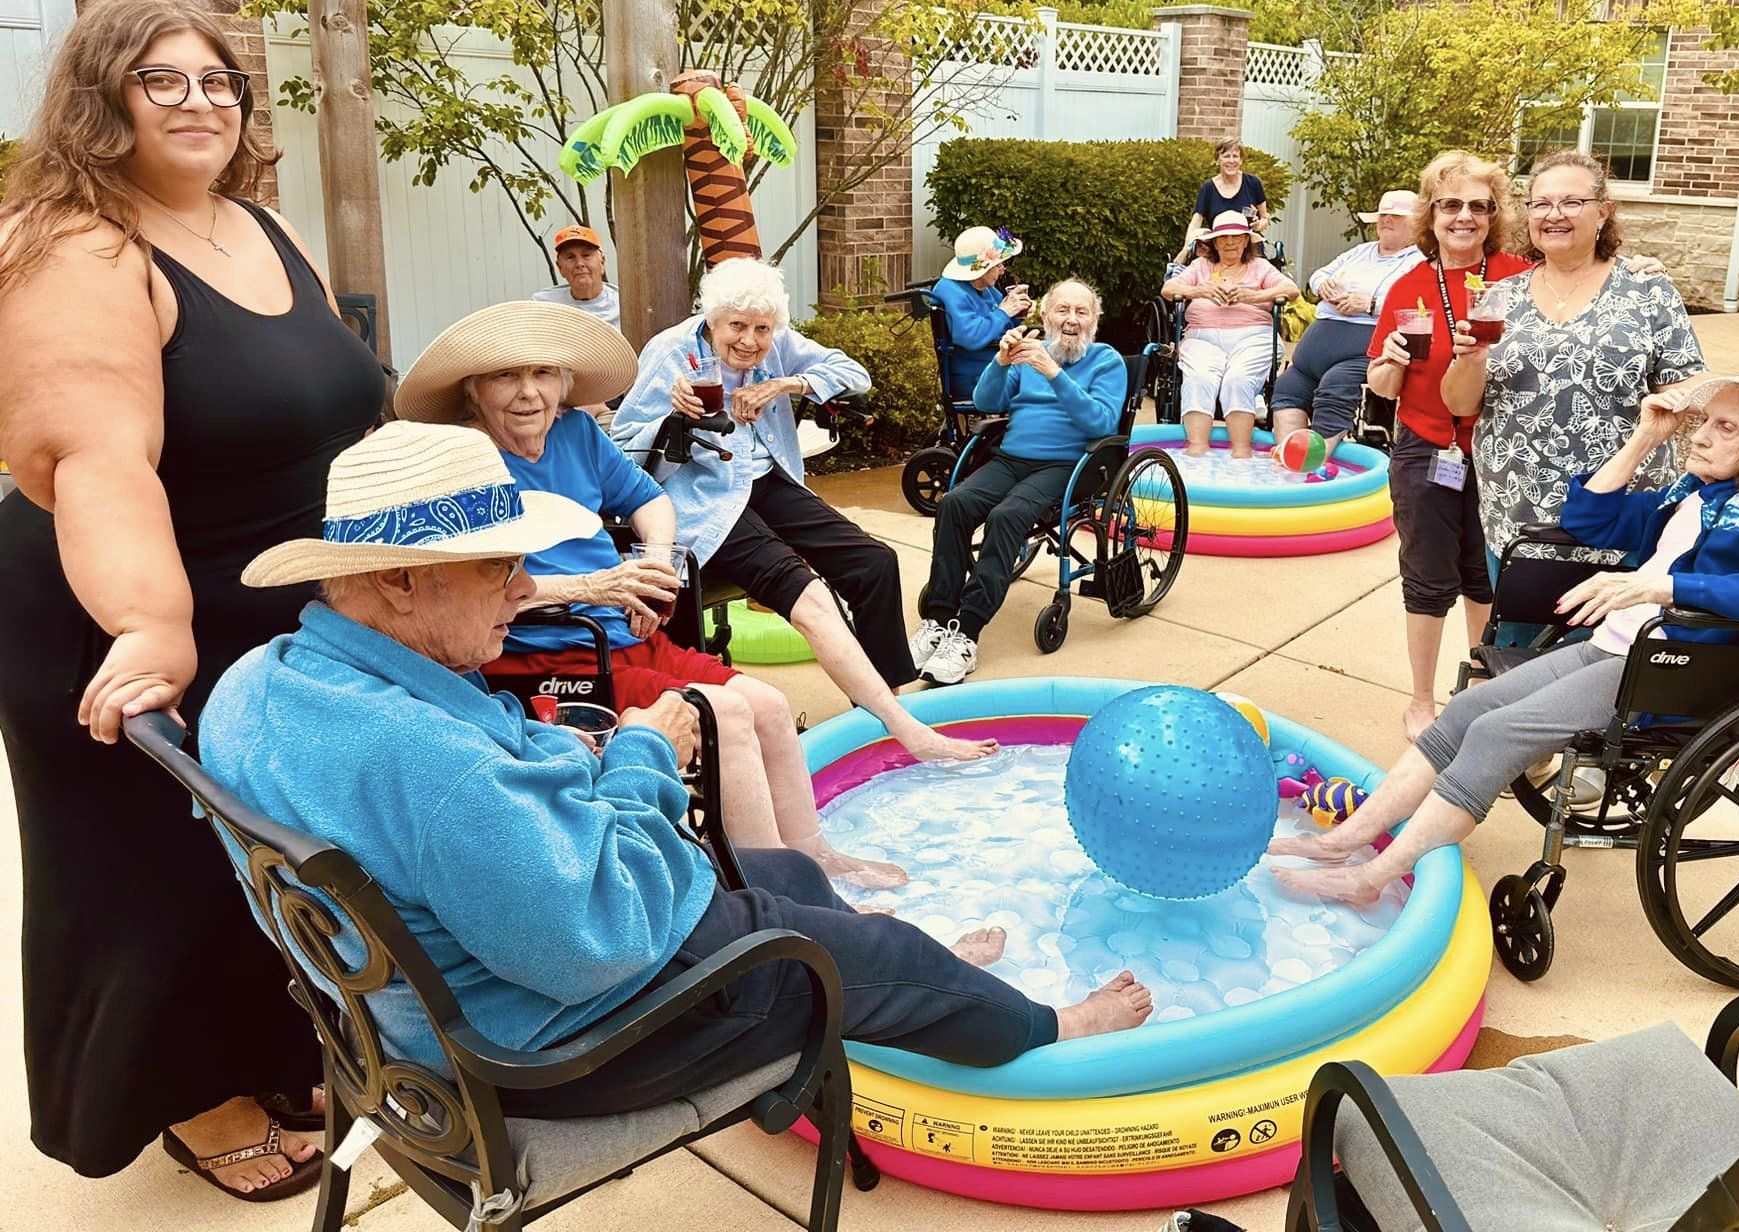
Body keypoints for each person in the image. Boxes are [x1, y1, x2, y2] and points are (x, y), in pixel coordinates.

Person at [203, 425, 1155, 1121]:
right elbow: (602, 938)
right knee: (865, 957)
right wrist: (645, 756)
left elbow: (474, 798)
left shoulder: (253, 687)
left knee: (789, 873)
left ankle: (931, 978)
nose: (528, 590)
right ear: (397, 580)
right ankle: (1045, 1024)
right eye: (498, 570)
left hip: (438, 1002)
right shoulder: (431, 766)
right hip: (558, 1042)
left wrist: (571, 761)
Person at [0, 0, 387, 1196]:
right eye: (160, 80)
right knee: (149, 875)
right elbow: (93, 458)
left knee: (258, 855)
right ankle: (191, 1099)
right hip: (111, 607)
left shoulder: (262, 225)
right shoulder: (76, 245)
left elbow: (340, 397)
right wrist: (148, 625)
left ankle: (267, 1051)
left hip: (265, 608)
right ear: (99, 99)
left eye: (217, 80)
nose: (199, 101)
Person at [1270, 372, 1739, 908]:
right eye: (1706, 420)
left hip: (1674, 668)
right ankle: (1344, 841)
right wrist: (1645, 437)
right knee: (1468, 708)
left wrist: (1660, 586)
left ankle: (1371, 880)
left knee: (1496, 733)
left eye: (1726, 427)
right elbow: (1588, 518)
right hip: (1618, 647)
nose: (1702, 435)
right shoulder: (1697, 493)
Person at [394, 301, 905, 889]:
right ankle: (774, 895)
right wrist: (595, 586)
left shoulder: (575, 433)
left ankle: (815, 857)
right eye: (507, 376)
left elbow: (649, 498)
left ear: (563, 384)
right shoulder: (463, 462)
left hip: (622, 631)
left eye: (543, 374)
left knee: (767, 703)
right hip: (550, 655)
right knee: (724, 715)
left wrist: (656, 563)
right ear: (473, 390)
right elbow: (468, 592)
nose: (529, 393)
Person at [612, 257, 995, 763]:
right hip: (704, 494)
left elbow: (854, 375)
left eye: (762, 329)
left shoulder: (778, 345)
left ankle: (881, 705)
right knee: (797, 583)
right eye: (737, 326)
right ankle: (899, 727)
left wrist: (786, 384)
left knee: (875, 561)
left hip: (767, 480)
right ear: (713, 318)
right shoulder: (671, 352)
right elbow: (623, 450)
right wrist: (671, 414)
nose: (750, 341)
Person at [1443, 150, 1706, 571]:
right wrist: (1471, 359)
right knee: (1520, 616)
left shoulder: (1647, 290)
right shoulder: (1501, 295)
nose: (1554, 214)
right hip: (1517, 508)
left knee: (1617, 615)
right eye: (1541, 204)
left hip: (1622, 508)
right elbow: (1460, 404)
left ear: (1603, 212)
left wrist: (1728, 396)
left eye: (1571, 202)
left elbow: (1686, 383)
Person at [1365, 156, 1533, 739]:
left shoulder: (1521, 278)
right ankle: (1420, 700)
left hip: (1500, 450)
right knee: (1427, 575)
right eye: (1450, 205)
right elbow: (1382, 387)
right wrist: (1390, 361)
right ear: (1431, 215)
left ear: (1494, 215)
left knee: (1487, 575)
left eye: (1478, 206)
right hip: (1425, 446)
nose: (1464, 217)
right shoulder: (1409, 286)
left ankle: (1483, 690)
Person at [913, 281, 1127, 686]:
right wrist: (1001, 361)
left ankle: (967, 634)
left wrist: (1053, 373)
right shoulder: (1028, 355)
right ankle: (938, 621)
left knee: (1007, 516)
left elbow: (1101, 422)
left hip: (1068, 465)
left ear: (1095, 320)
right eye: (1062, 310)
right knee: (954, 503)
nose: (1071, 319)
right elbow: (986, 402)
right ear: (1045, 317)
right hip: (1011, 458)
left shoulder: (1106, 361)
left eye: (1081, 311)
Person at [1271, 189, 1425, 454]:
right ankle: (1289, 458)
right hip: (1317, 345)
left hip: (1364, 348)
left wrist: (1370, 304)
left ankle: (1314, 459)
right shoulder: (1361, 251)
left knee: (1335, 387)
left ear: (1416, 223)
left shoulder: (1420, 261)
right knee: (1288, 386)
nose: (1386, 220)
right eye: (1382, 215)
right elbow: (1319, 275)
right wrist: (1323, 285)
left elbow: (1420, 304)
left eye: (1396, 216)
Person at [1161, 211, 1297, 460]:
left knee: (1238, 379)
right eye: (1223, 237)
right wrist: (1202, 291)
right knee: (1199, 378)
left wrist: (1252, 296)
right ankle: (1196, 451)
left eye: (1236, 237)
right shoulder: (1201, 266)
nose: (1230, 242)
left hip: (1253, 337)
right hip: (1202, 337)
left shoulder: (1260, 267)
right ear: (1215, 242)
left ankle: (1241, 453)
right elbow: (1169, 288)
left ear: (1246, 241)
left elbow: (1291, 290)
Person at [930, 226, 1032, 399]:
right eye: (998, 264)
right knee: (1043, 384)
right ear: (982, 269)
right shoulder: (951, 290)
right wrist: (1004, 312)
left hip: (997, 365)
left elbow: (1001, 327)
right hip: (976, 376)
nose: (1003, 269)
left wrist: (1018, 313)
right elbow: (970, 337)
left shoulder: (986, 288)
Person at [1179, 140, 1268, 262]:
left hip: (1250, 249)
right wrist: (1186, 249)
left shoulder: (1253, 183)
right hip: (1219, 251)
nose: (1231, 161)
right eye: (1226, 156)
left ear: (1241, 160)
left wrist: (1259, 225)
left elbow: (1265, 218)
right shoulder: (1208, 188)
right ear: (1217, 160)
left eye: (1235, 156)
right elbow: (1195, 222)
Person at [531, 223, 621, 332]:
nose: (579, 264)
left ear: (602, 262)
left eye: (586, 255)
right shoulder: (543, 306)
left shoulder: (624, 305)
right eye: (570, 257)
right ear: (560, 267)